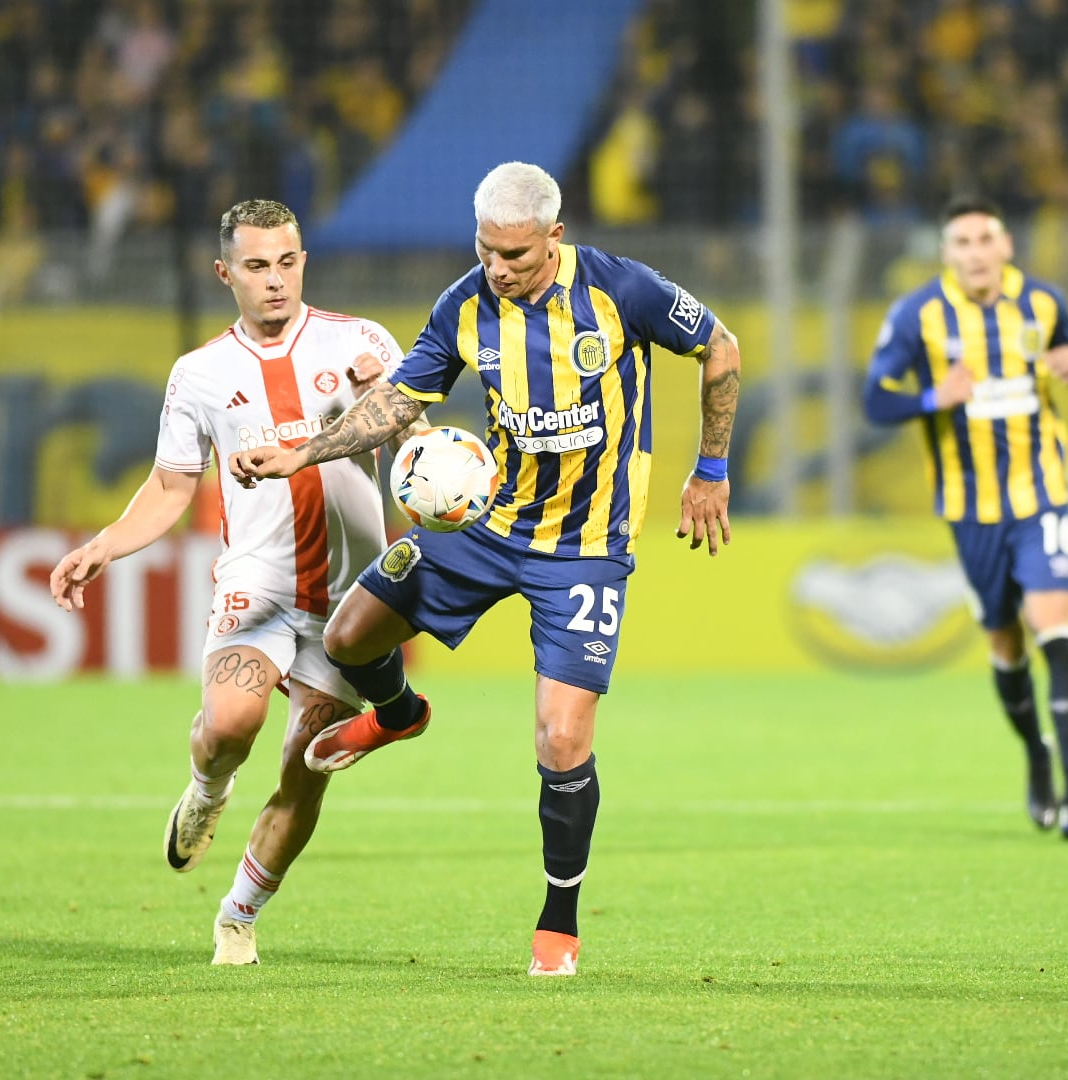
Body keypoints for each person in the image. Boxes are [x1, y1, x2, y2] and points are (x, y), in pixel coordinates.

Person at [240, 161, 741, 976]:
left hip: (584, 549)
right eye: (487, 250)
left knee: (562, 738)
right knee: (349, 638)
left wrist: (710, 469)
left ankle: (559, 923)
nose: (500, 269)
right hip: (486, 522)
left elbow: (721, 349)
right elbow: (398, 402)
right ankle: (398, 716)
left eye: (517, 254)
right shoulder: (464, 303)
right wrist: (299, 452)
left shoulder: (625, 291)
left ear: (556, 235)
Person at [49, 198, 416, 965]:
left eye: (287, 262)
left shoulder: (362, 343)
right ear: (226, 273)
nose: (275, 280)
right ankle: (206, 792)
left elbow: (418, 450)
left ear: (303, 261)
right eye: (256, 266)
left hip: (348, 605)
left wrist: (392, 402)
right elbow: (171, 486)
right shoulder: (200, 374)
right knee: (228, 729)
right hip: (259, 585)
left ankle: (239, 913)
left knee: (303, 770)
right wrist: (106, 544)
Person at [862, 194, 1068, 841]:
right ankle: (1038, 757)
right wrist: (938, 396)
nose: (974, 253)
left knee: (1058, 636)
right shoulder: (918, 316)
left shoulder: (1044, 303)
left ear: (1006, 246)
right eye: (961, 243)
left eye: (984, 239)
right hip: (971, 512)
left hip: (1042, 493)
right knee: (1005, 644)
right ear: (946, 255)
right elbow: (875, 401)